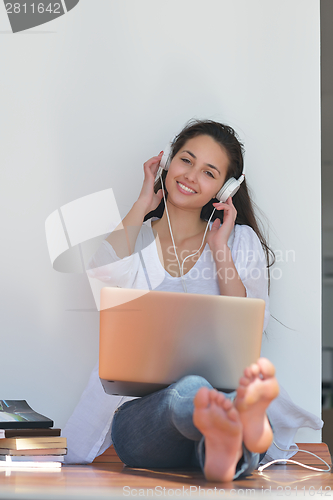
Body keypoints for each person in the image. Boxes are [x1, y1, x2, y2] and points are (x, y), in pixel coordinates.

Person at [86, 119, 280, 481]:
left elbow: (252, 324)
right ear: (167, 162)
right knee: (191, 394)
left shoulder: (239, 242)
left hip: (217, 402)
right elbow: (101, 281)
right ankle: (235, 425)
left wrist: (219, 249)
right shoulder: (138, 238)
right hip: (147, 419)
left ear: (225, 190)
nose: (191, 175)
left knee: (211, 401)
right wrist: (142, 203)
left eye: (208, 172)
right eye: (186, 160)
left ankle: (222, 446)